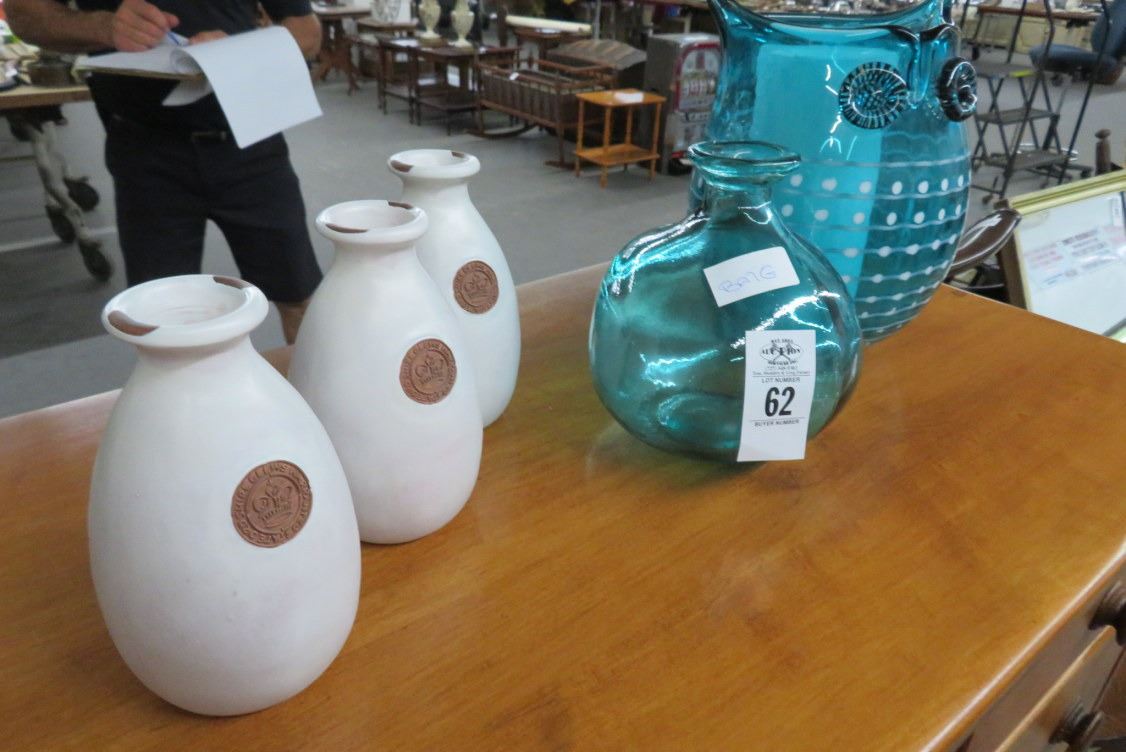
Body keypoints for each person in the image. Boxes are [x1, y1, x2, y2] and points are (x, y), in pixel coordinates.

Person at [7, 0, 324, 343]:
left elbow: (307, 32)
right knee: (158, 320)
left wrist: (239, 50)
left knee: (299, 298)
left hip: (250, 139)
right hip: (145, 153)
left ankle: (309, 379)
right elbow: (24, 15)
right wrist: (104, 27)